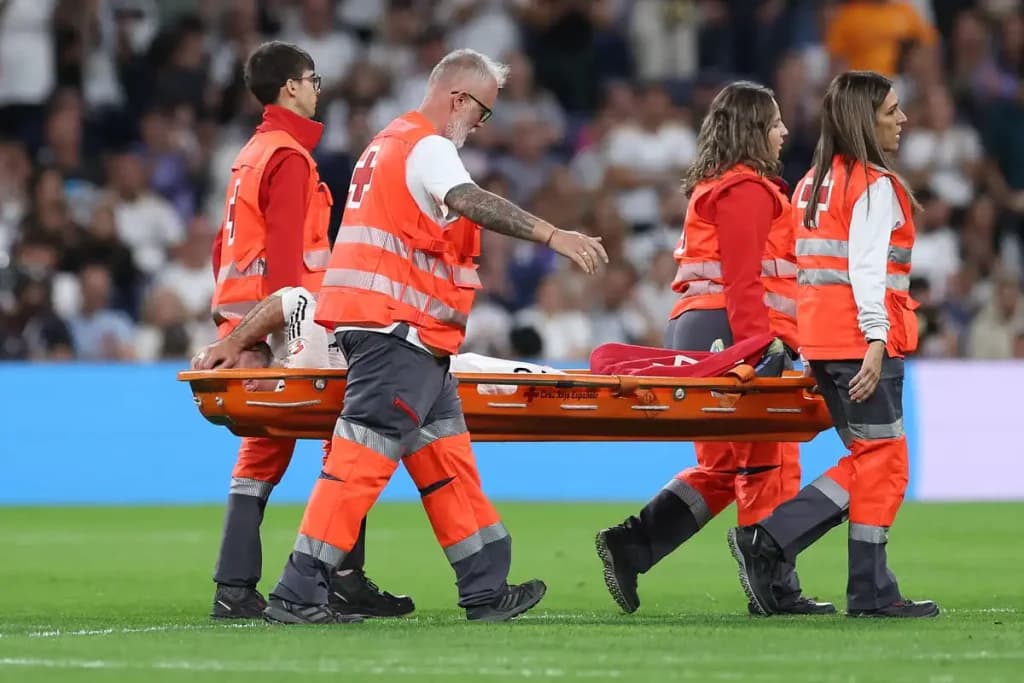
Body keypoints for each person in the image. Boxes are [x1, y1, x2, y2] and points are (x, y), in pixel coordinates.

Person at [256, 48, 608, 625]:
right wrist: (552, 235)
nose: (481, 125)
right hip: (396, 329)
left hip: (405, 334)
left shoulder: (388, 142)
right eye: (483, 113)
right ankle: (298, 590)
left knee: (446, 458)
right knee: (360, 460)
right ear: (457, 98)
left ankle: (485, 586)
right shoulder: (429, 146)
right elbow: (468, 201)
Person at [593, 81, 833, 616]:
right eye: (774, 124)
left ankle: (633, 544)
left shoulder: (723, 187)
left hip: (704, 327)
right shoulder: (746, 190)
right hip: (730, 327)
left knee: (726, 464)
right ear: (753, 131)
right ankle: (774, 582)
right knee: (768, 455)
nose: (784, 132)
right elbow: (745, 279)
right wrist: (756, 345)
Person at [206, 41, 410, 622]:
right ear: (291, 86)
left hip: (247, 319)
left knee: (262, 454)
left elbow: (222, 248)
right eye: (313, 79)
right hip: (288, 322)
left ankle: (235, 585)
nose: (318, 88)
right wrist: (285, 336)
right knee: (349, 437)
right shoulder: (290, 158)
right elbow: (291, 268)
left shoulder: (251, 153)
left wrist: (232, 329)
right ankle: (340, 579)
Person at [727, 71, 939, 618]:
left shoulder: (810, 185)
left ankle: (867, 587)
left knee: (872, 459)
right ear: (864, 120)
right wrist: (875, 340)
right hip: (860, 341)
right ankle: (774, 540)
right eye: (892, 111)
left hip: (821, 340)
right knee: (884, 461)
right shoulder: (873, 184)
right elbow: (867, 270)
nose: (902, 120)